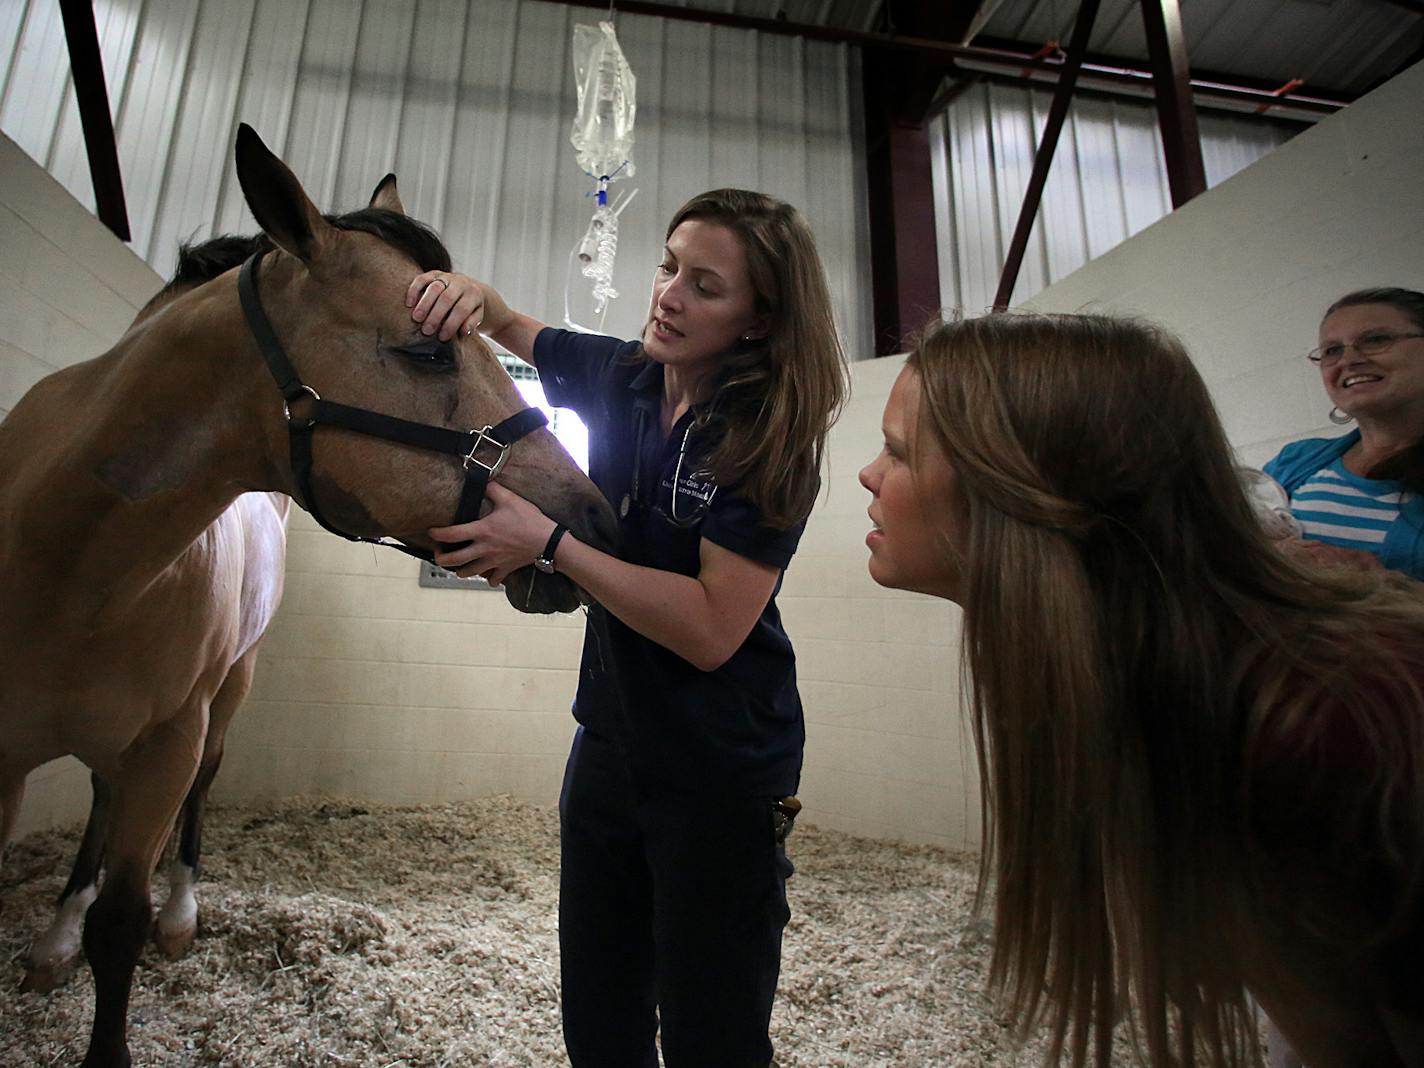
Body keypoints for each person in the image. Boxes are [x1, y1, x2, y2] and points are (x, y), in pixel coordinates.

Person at [858, 312, 1424, 1068]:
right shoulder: (1139, 684)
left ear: (1025, 486)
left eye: (897, 449)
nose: (869, 473)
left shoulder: (1319, 724)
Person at [405, 189, 847, 1068]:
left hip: (721, 772)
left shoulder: (767, 437)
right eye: (668, 265)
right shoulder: (624, 376)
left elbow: (715, 628)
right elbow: (507, 321)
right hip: (610, 746)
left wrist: (552, 545)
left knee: (709, 1037)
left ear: (759, 321)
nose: (669, 295)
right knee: (599, 1020)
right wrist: (465, 294)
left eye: (706, 286)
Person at [1263, 287, 1424, 580]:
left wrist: (1383, 584)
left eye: (1376, 340)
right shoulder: (1296, 461)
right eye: (1332, 350)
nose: (1349, 360)